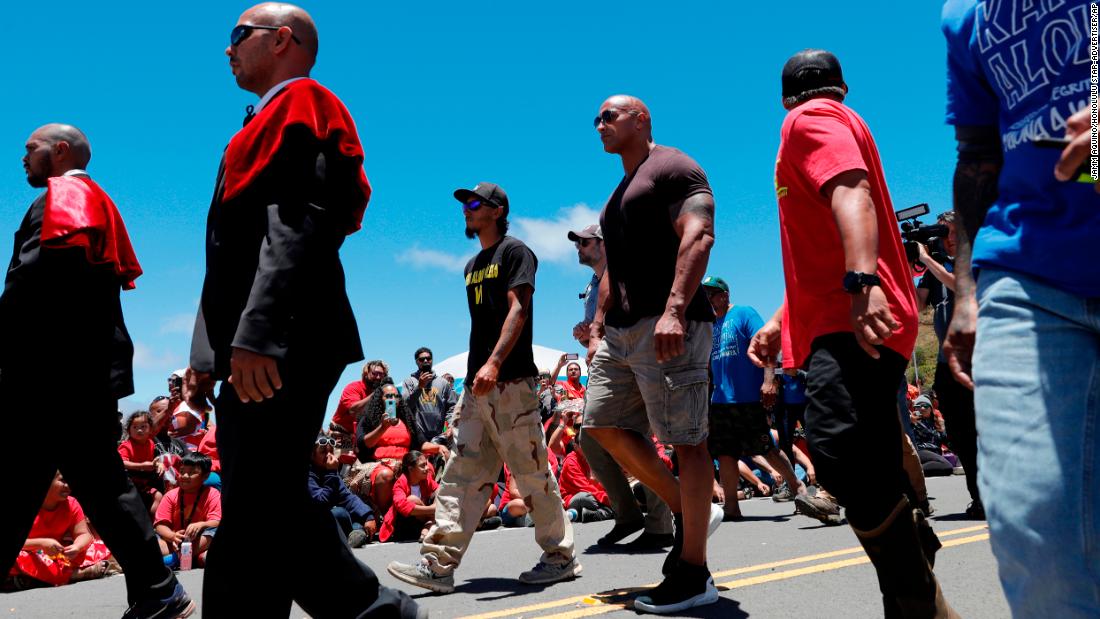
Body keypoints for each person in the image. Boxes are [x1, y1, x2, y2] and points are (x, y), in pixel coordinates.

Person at [183, 5, 419, 617]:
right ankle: (370, 609)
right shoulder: (256, 121)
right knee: (259, 498)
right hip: (249, 341)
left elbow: (299, 224)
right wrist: (206, 353)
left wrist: (257, 333)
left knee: (261, 497)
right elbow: (226, 257)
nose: (227, 50)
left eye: (238, 36)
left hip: (282, 335)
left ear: (281, 40)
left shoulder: (306, 103)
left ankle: (371, 608)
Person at [749, 50, 954, 616]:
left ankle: (914, 593)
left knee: (836, 450)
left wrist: (863, 281)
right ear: (842, 85)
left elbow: (850, 189)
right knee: (873, 457)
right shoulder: (843, 117)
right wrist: (779, 320)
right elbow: (820, 244)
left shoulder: (807, 120)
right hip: (848, 312)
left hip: (855, 314)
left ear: (786, 96)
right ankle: (916, 587)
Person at [942, 4, 1100, 615]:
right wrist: (966, 292)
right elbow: (977, 153)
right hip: (1025, 273)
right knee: (1032, 527)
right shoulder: (965, 15)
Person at [0, 123, 193, 617]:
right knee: (94, 485)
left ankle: (159, 588)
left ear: (60, 151)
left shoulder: (62, 196)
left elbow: (29, 287)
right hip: (78, 377)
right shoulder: (93, 200)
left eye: (31, 149)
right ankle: (157, 589)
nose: (23, 157)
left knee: (72, 484)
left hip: (52, 377)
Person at [387, 182, 579, 593]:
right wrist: (479, 374)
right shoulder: (472, 265)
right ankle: (438, 565)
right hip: (478, 389)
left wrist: (494, 362)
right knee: (461, 474)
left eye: (474, 204)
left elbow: (519, 308)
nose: (466, 210)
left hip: (511, 382)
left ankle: (560, 556)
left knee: (530, 472)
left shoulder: (516, 252)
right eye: (464, 204)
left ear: (497, 210)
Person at [582, 94, 724, 614]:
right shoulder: (616, 195)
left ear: (641, 119)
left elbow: (699, 233)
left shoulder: (674, 166)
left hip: (669, 326)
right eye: (596, 118)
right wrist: (597, 325)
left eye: (609, 116)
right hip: (619, 334)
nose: (600, 125)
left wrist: (673, 310)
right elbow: (611, 270)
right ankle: (688, 510)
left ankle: (693, 574)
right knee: (598, 426)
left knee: (687, 443)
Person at [701, 275, 806, 521]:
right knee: (725, 453)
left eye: (711, 294)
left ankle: (798, 488)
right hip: (720, 402)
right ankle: (732, 509)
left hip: (748, 398)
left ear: (724, 295)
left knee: (766, 448)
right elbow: (708, 367)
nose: (707, 300)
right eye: (704, 295)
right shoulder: (709, 326)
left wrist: (769, 380)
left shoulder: (744, 313)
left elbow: (767, 343)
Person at [914, 211, 981, 517]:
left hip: (978, 359)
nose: (949, 239)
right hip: (946, 364)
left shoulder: (975, 258)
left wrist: (928, 261)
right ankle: (979, 498)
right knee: (961, 436)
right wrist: (908, 264)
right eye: (942, 234)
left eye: (953, 232)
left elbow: (963, 288)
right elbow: (916, 306)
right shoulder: (932, 269)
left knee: (985, 432)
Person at [6, 472, 118, 590]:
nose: (68, 485)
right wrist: (41, 544)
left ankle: (41, 578)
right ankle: (76, 574)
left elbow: (84, 535)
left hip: (58, 555)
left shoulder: (72, 503)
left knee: (102, 545)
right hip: (28, 553)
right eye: (63, 480)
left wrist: (76, 547)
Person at [356, 382, 449, 468]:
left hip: (405, 464)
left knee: (428, 468)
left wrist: (438, 447)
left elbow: (421, 443)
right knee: (386, 475)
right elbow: (363, 444)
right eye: (388, 396)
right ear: (380, 399)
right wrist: (382, 428)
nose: (393, 399)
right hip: (379, 464)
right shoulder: (369, 419)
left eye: (396, 396)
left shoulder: (406, 419)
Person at [154, 453, 221, 569]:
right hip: (174, 542)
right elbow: (160, 525)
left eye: (191, 473)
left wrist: (202, 524)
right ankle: (187, 558)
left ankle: (177, 559)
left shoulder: (213, 493)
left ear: (205, 476)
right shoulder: (170, 495)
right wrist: (172, 536)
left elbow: (217, 520)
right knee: (153, 540)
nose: (184, 476)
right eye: (181, 471)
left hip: (199, 542)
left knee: (215, 531)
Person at [309, 435, 376, 548]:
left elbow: (347, 497)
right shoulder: (310, 475)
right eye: (323, 452)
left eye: (331, 451)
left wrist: (368, 516)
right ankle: (354, 533)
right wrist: (331, 473)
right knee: (339, 513)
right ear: (311, 455)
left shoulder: (330, 471)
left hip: (333, 521)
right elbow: (321, 502)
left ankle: (356, 533)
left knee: (356, 516)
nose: (328, 455)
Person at [400, 347, 457, 466]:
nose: (426, 361)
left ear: (432, 360)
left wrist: (451, 425)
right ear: (417, 361)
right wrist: (419, 387)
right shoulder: (409, 382)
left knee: (438, 468)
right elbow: (405, 407)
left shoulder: (443, 383)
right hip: (416, 436)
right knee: (419, 467)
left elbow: (452, 408)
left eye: (428, 358)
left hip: (437, 434)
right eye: (422, 359)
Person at [379, 451, 439, 543]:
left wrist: (435, 506)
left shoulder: (426, 480)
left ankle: (427, 528)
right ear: (411, 469)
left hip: (421, 522)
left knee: (440, 493)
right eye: (422, 466)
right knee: (412, 499)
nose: (427, 468)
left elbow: (439, 490)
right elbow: (402, 506)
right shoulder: (400, 483)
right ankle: (429, 525)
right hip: (405, 527)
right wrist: (433, 509)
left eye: (426, 464)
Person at [119, 411, 165, 516]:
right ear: (129, 430)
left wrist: (159, 465)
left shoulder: (151, 443)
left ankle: (153, 522)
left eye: (143, 427)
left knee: (158, 496)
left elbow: (156, 459)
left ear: (150, 429)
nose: (139, 430)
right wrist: (141, 466)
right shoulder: (126, 445)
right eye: (135, 427)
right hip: (128, 484)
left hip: (145, 483)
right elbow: (122, 463)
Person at [569, 224, 605, 348]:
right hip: (607, 356)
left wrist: (596, 330)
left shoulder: (623, 278)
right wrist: (581, 333)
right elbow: (591, 336)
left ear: (604, 244)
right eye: (577, 244)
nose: (579, 248)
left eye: (584, 243)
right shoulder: (590, 287)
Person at [332, 360, 388, 441]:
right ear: (366, 374)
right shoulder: (353, 387)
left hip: (363, 435)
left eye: (381, 374)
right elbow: (354, 411)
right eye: (374, 373)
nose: (378, 377)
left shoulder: (383, 393)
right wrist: (375, 393)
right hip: (342, 434)